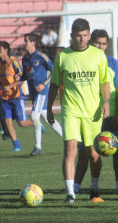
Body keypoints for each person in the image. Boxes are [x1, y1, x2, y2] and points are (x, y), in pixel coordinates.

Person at [47, 18, 110, 204]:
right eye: (78, 36)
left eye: (84, 36)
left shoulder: (98, 55)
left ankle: (94, 186)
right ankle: (70, 194)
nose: (82, 39)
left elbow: (105, 82)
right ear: (71, 36)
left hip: (93, 111)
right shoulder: (63, 56)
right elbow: (54, 84)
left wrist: (106, 103)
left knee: (93, 152)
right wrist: (49, 108)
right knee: (70, 149)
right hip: (70, 109)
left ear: (89, 35)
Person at [74, 29, 118, 196]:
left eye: (104, 44)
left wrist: (117, 112)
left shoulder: (113, 63)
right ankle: (76, 186)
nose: (101, 46)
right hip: (89, 114)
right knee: (85, 152)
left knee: (117, 150)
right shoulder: (83, 60)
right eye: (98, 43)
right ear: (91, 42)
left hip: (109, 115)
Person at [21, 33, 63, 156]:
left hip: (42, 92)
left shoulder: (41, 56)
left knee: (34, 116)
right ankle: (69, 139)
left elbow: (54, 70)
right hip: (33, 92)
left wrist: (44, 84)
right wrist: (20, 76)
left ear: (33, 42)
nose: (25, 44)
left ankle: (38, 147)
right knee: (48, 118)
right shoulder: (25, 59)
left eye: (26, 41)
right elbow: (26, 74)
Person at [0, 40, 33, 152]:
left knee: (21, 123)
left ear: (6, 51)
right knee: (7, 122)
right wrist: (1, 84)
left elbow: (22, 78)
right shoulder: (0, 64)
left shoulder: (14, 62)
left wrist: (11, 86)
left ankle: (36, 122)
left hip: (17, 96)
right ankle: (17, 145)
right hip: (5, 98)